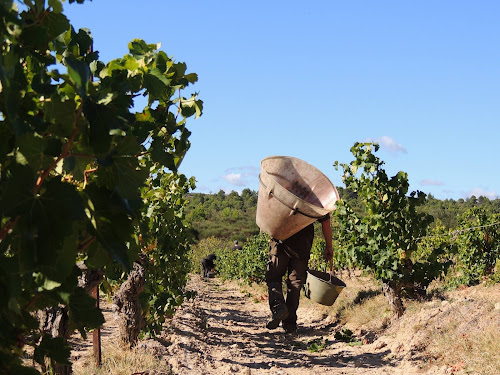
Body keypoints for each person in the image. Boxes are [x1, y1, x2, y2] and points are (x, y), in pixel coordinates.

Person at [265, 214, 333, 334]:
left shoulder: (282, 194)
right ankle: (290, 324)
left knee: (273, 277)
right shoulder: (315, 198)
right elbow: (325, 222)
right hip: (302, 244)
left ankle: (278, 307)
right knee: (295, 283)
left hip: (280, 242)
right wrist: (328, 246)